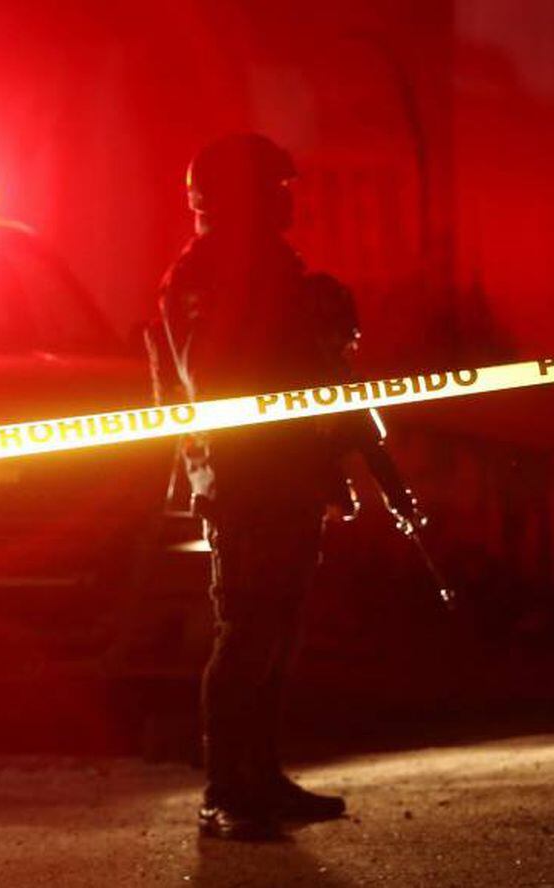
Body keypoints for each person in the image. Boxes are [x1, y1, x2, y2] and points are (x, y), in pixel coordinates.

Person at [146, 133, 352, 841]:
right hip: (241, 478)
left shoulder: (272, 269)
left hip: (289, 470)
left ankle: (262, 777)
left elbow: (305, 374)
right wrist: (294, 324)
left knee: (280, 634)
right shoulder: (202, 274)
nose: (287, 201)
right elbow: (217, 382)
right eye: (275, 188)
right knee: (247, 632)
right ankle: (225, 790)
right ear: (238, 197)